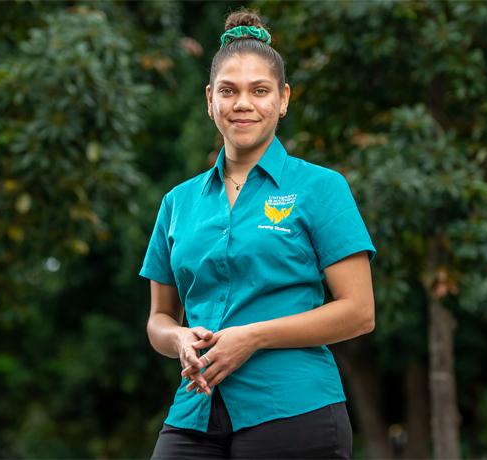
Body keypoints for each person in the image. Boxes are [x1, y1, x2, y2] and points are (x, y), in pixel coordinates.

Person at [140, 9, 376, 460]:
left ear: (283, 99)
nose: (242, 103)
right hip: (195, 409)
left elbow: (359, 312)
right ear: (210, 99)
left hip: (294, 407)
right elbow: (159, 319)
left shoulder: (321, 188)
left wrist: (252, 337)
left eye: (260, 90)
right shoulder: (177, 202)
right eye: (228, 90)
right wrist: (179, 339)